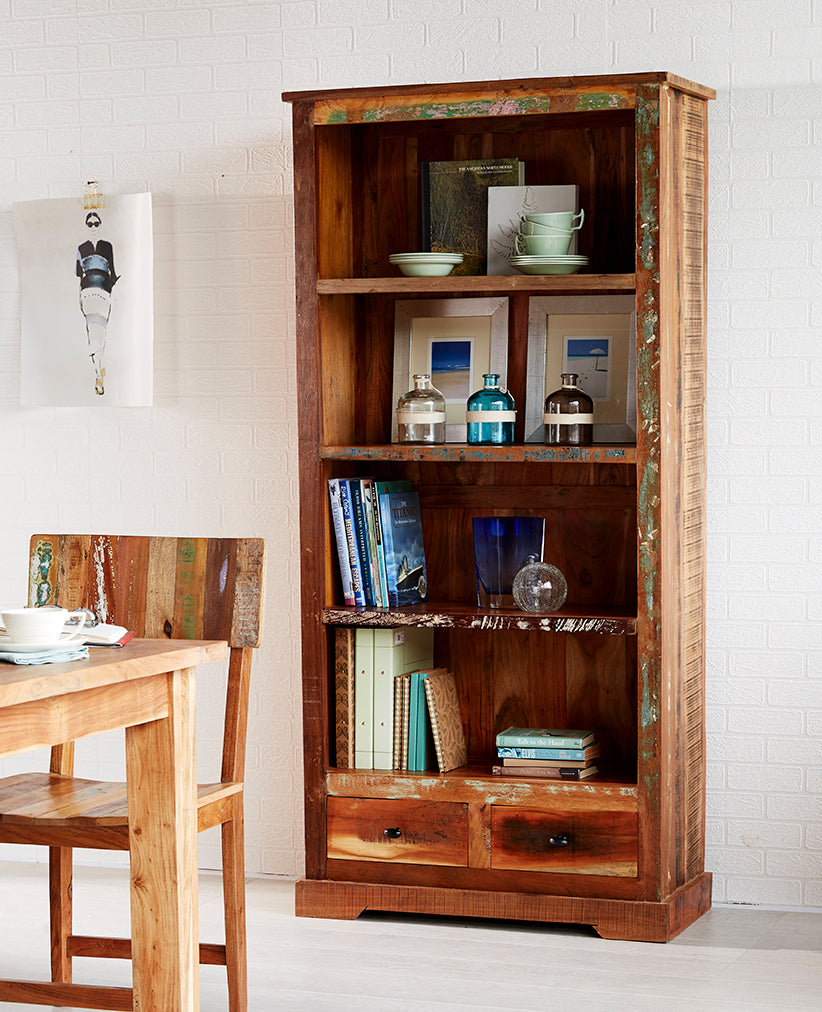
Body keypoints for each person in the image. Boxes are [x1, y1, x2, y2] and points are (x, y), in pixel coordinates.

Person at [76, 238, 118, 395]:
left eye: (96, 223)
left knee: (100, 336)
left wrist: (113, 296)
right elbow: (79, 277)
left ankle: (100, 371)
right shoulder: (82, 247)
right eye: (90, 223)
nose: (93, 227)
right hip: (88, 294)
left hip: (103, 294)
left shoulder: (107, 246)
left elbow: (112, 273)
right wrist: (79, 298)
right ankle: (98, 373)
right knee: (94, 336)